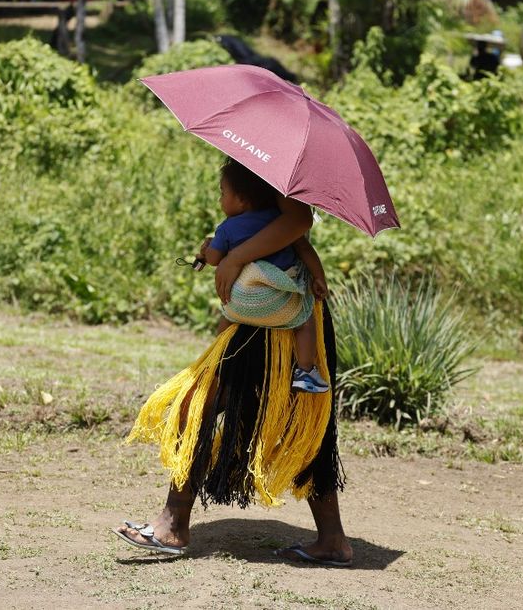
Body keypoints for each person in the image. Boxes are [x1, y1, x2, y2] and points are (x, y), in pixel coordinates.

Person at [112, 160, 353, 567]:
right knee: (217, 407)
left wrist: (233, 256)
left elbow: (299, 220)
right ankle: (330, 539)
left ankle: (174, 524)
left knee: (213, 405)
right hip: (272, 320)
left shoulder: (279, 161)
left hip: (280, 323)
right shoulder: (264, 158)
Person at [201, 158, 329, 393]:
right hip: (281, 302)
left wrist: (207, 251)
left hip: (240, 301)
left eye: (222, 193)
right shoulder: (277, 221)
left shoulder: (227, 228)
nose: (220, 199)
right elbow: (304, 249)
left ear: (241, 200)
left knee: (226, 314)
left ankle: (216, 358)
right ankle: (305, 370)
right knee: (305, 318)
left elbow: (214, 260)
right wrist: (319, 277)